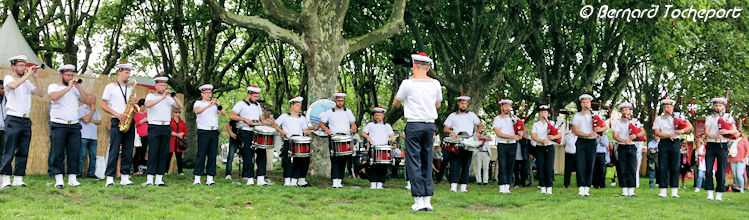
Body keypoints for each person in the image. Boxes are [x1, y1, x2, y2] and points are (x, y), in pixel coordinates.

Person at [393, 52, 441, 211]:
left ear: (414, 66)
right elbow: (438, 105)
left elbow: (396, 103)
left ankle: (418, 200)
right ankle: (427, 200)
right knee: (427, 161)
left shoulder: (407, 83)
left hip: (414, 125)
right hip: (429, 126)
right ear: (427, 68)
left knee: (414, 161)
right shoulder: (435, 83)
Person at [1, 55, 45, 188]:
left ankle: (18, 179)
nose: (24, 68)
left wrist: (36, 78)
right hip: (13, 118)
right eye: (21, 65)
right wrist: (27, 75)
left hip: (26, 119)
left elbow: (41, 93)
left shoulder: (27, 82)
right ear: (13, 66)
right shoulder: (9, 78)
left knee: (23, 150)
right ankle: (6, 179)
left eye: (25, 65)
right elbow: (13, 86)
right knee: (9, 150)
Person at [48, 64, 90, 188]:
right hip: (59, 123)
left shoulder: (74, 88)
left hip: (74, 125)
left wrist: (78, 87)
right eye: (67, 75)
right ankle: (59, 179)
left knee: (74, 152)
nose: (70, 77)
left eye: (72, 75)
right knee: (58, 152)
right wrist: (69, 87)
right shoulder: (53, 86)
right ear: (61, 75)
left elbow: (86, 100)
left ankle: (72, 178)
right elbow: (54, 97)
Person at [142, 76, 183, 186]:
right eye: (160, 85)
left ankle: (159, 179)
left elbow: (180, 106)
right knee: (153, 152)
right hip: (154, 126)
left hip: (166, 127)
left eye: (164, 85)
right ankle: (150, 178)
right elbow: (148, 105)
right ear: (155, 86)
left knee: (163, 152)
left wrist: (173, 96)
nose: (163, 87)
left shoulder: (169, 98)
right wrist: (162, 97)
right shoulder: (150, 96)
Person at [100, 63, 137, 187]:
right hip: (117, 120)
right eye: (126, 72)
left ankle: (125, 177)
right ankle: (110, 178)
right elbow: (103, 105)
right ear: (119, 72)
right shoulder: (110, 87)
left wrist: (134, 103)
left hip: (129, 121)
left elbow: (133, 107)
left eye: (129, 72)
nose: (128, 75)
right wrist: (117, 114)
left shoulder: (131, 88)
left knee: (128, 149)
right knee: (114, 149)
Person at [229, 86, 272, 185]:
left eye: (257, 96)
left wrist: (267, 122)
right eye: (255, 96)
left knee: (261, 153)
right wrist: (244, 119)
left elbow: (261, 118)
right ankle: (249, 178)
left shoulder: (257, 105)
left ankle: (261, 178)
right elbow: (231, 115)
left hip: (257, 131)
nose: (257, 98)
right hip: (245, 131)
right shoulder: (240, 104)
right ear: (249, 94)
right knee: (248, 154)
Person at [653, 97, 692, 198]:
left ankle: (675, 190)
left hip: (675, 142)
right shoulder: (659, 118)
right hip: (664, 142)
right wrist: (668, 135)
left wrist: (681, 131)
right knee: (662, 166)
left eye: (669, 106)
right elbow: (657, 132)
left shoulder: (678, 116)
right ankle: (663, 190)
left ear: (672, 107)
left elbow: (689, 126)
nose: (667, 108)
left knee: (675, 166)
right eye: (665, 106)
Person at [442, 95, 483, 193]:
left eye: (465, 104)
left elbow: (479, 125)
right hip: (456, 142)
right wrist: (452, 132)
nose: (464, 105)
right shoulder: (452, 116)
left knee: (466, 164)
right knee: (455, 163)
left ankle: (463, 186)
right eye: (462, 103)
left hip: (468, 141)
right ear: (458, 104)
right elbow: (445, 128)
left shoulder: (472, 115)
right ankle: (453, 186)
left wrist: (477, 134)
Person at [571, 93, 609, 196]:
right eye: (583, 102)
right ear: (581, 104)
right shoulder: (577, 116)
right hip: (581, 141)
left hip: (592, 142)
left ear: (590, 103)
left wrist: (599, 130)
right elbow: (576, 131)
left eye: (587, 102)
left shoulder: (596, 114)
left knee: (590, 164)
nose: (585, 104)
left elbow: (605, 127)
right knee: (580, 164)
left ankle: (587, 187)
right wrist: (588, 134)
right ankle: (580, 188)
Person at [271, 96, 313, 187]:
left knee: (299, 161)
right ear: (292, 106)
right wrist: (281, 131)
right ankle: (287, 180)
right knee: (286, 161)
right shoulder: (284, 116)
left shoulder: (302, 118)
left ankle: (294, 181)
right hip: (288, 141)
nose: (299, 107)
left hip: (299, 141)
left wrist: (307, 131)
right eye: (297, 105)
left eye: (300, 105)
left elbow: (305, 129)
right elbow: (274, 124)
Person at [319, 91, 357, 188]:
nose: (340, 102)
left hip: (345, 138)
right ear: (335, 100)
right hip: (334, 138)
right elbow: (321, 123)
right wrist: (327, 130)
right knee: (335, 159)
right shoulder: (329, 112)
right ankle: (335, 181)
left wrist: (353, 128)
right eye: (338, 100)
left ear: (344, 101)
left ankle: (340, 180)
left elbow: (353, 123)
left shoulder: (348, 112)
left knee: (343, 159)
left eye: (342, 100)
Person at [193, 84, 225, 185]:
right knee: (201, 155)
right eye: (206, 93)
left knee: (212, 155)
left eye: (210, 93)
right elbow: (197, 111)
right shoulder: (198, 103)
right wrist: (208, 105)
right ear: (202, 93)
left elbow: (223, 113)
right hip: (203, 131)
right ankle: (197, 178)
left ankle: (210, 179)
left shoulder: (214, 104)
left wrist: (217, 105)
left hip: (214, 131)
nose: (208, 95)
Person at [612, 103, 645, 196]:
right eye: (622, 110)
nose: (624, 112)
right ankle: (624, 190)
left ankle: (631, 191)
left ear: (630, 111)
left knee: (632, 168)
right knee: (622, 168)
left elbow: (642, 131)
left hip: (633, 147)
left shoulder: (635, 121)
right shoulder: (618, 123)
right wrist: (624, 141)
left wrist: (636, 135)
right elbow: (615, 136)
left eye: (626, 110)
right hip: (622, 146)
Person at [360, 107, 397, 189]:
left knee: (383, 166)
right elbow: (362, 133)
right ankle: (373, 183)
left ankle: (380, 183)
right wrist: (368, 137)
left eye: (379, 115)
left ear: (383, 116)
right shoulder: (370, 125)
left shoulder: (387, 126)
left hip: (384, 148)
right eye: (376, 115)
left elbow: (392, 135)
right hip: (373, 148)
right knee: (372, 166)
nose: (377, 117)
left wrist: (393, 138)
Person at [530, 105, 561, 195]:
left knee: (549, 167)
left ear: (548, 114)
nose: (543, 114)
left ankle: (549, 187)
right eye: (541, 112)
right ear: (539, 114)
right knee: (540, 167)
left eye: (545, 112)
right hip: (540, 147)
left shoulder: (552, 123)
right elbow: (533, 136)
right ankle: (542, 187)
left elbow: (559, 134)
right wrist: (542, 140)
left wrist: (553, 137)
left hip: (549, 147)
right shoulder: (536, 124)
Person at [493, 99, 520, 194]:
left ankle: (507, 186)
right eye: (505, 106)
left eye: (508, 106)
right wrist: (512, 136)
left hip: (512, 144)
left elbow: (520, 130)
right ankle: (501, 186)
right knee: (502, 165)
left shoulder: (515, 118)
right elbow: (498, 133)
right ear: (501, 107)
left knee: (510, 165)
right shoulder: (497, 119)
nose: (507, 108)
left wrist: (519, 134)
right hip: (502, 144)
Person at [79, 94, 102, 179]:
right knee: (81, 156)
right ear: (88, 100)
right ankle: (79, 174)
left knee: (93, 157)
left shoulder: (97, 110)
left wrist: (90, 119)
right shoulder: (81, 108)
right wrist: (92, 111)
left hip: (93, 137)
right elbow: (85, 120)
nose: (95, 101)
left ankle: (91, 174)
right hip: (83, 136)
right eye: (93, 100)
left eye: (95, 99)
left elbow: (100, 122)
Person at [168, 110, 187, 175]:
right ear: (173, 113)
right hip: (171, 141)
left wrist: (182, 134)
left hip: (179, 142)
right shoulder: (170, 121)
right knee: (168, 157)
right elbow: (168, 130)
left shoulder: (182, 122)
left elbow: (186, 132)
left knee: (179, 157)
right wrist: (176, 134)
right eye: (176, 112)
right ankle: (165, 171)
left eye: (179, 112)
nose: (178, 113)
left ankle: (180, 171)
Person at [133, 99, 148, 174]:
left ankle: (141, 167)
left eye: (145, 106)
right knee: (138, 152)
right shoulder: (136, 114)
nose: (144, 107)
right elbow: (134, 125)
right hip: (139, 135)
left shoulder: (146, 114)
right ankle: (135, 169)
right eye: (143, 106)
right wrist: (143, 120)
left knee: (143, 152)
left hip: (146, 135)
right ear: (140, 106)